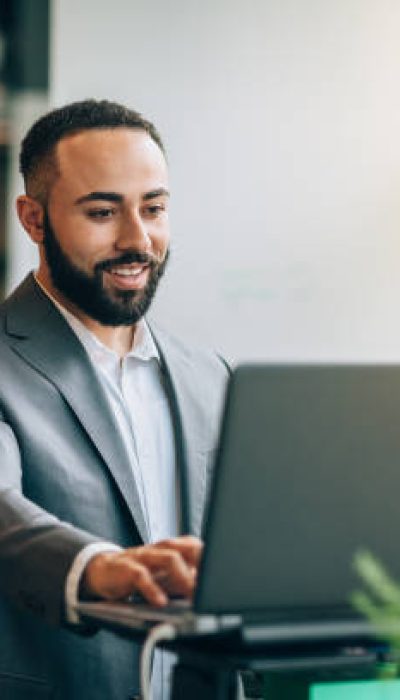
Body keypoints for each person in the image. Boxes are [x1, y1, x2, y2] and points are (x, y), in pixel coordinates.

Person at [0, 99, 228, 699]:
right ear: (33, 218)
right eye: (103, 211)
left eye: (153, 208)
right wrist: (97, 569)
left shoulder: (212, 376)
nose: (138, 240)